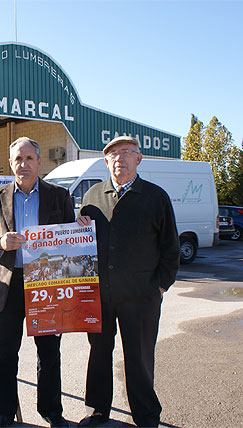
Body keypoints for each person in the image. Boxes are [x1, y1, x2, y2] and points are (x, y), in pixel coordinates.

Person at [75, 136, 180, 427]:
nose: (119, 158)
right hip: (100, 293)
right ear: (106, 161)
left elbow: (171, 247)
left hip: (141, 296)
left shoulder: (155, 197)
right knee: (98, 353)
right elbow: (81, 242)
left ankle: (146, 415)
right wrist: (78, 224)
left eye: (126, 152)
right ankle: (97, 409)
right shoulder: (93, 196)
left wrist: (160, 286)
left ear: (138, 159)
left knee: (139, 357)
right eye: (113, 154)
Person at [0, 137, 74, 428]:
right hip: (7, 286)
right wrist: (0, 241)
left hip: (46, 285)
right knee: (3, 355)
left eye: (29, 158)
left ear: (39, 162)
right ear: (10, 164)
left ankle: (51, 411)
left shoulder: (59, 196)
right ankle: (3, 412)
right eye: (18, 159)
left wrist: (81, 227)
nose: (23, 164)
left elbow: (70, 238)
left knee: (48, 353)